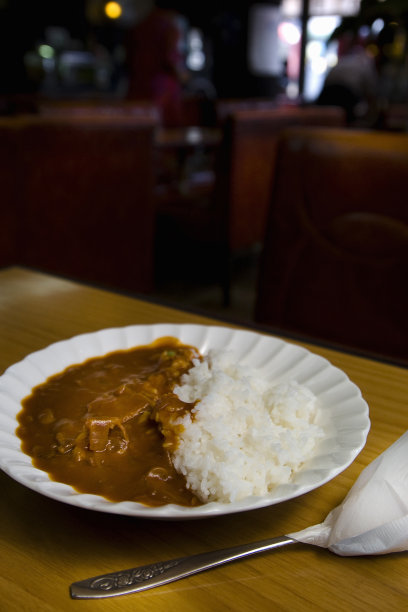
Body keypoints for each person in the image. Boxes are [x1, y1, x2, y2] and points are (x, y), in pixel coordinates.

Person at [124, 1, 188, 126]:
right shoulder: (170, 28)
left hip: (137, 91)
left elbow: (128, 59)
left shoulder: (139, 26)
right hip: (162, 93)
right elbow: (172, 59)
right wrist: (184, 76)